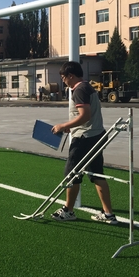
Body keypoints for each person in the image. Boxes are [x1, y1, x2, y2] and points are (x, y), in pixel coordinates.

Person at [50, 61, 118, 224]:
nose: (63, 80)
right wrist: (71, 127)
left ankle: (68, 210)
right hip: (97, 135)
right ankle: (108, 214)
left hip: (85, 138)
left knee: (71, 175)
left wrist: (64, 126)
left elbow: (85, 115)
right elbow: (86, 116)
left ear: (70, 76)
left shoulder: (79, 90)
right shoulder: (87, 87)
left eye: (63, 77)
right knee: (96, 174)